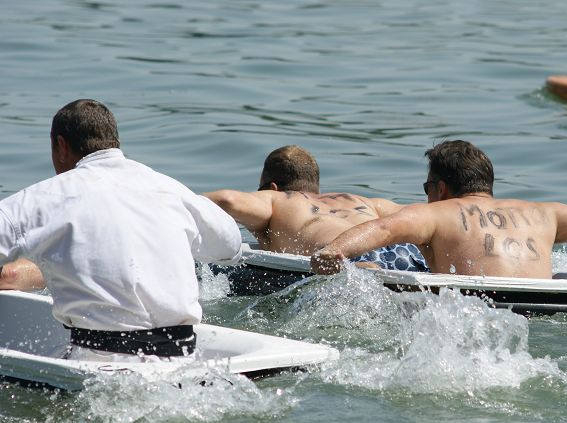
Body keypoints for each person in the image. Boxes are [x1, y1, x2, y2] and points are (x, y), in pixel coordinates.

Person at [0, 99, 242, 361]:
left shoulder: (42, 198)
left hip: (101, 360)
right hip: (181, 358)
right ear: (113, 141)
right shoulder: (170, 188)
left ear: (61, 145)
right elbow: (231, 247)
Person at [311, 140, 567, 288]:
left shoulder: (436, 214)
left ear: (440, 188)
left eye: (427, 188)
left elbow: (381, 228)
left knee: (363, 268)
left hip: (475, 313)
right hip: (557, 311)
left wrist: (333, 250)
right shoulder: (544, 213)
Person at [204, 145, 428, 271]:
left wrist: (172, 200)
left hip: (350, 259)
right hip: (405, 254)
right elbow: (425, 214)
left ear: (271, 187)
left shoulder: (277, 200)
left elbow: (228, 200)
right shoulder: (363, 200)